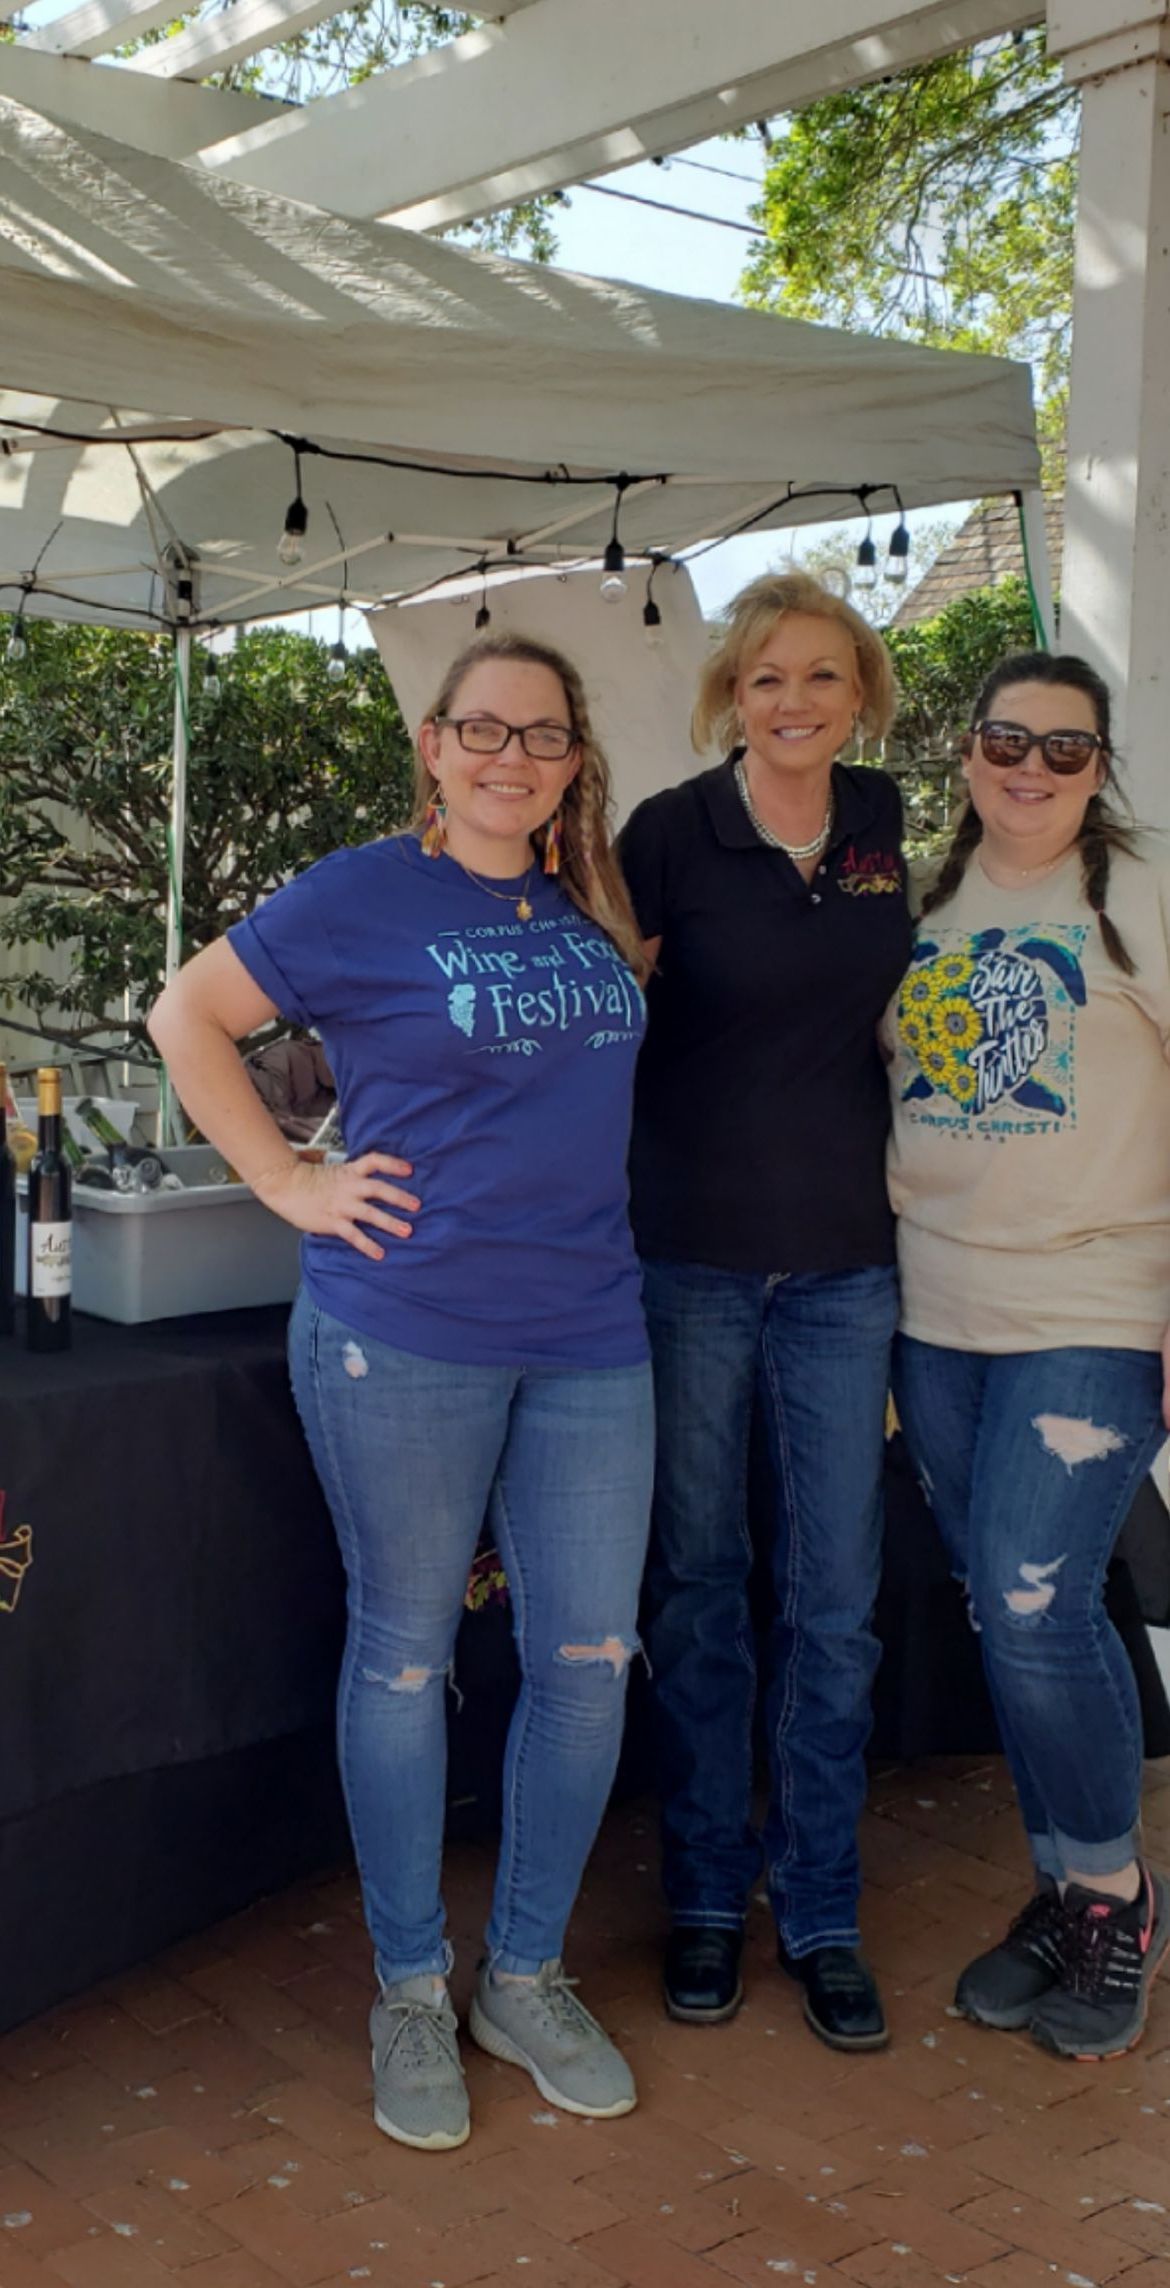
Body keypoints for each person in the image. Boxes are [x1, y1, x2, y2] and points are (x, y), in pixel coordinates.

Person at [149, 633, 654, 2150]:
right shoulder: (358, 892)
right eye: (481, 730)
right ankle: (411, 1988)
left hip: (589, 1329)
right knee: (403, 1657)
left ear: (573, 761)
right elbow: (189, 1017)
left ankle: (523, 1972)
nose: (511, 757)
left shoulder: (586, 900)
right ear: (431, 748)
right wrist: (285, 1181)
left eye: (543, 735)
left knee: (585, 1661)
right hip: (405, 1325)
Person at [618, 571, 911, 2051]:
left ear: (860, 688)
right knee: (700, 1589)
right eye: (763, 678)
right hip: (687, 1263)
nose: (792, 702)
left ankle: (820, 1909)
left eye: (819, 676)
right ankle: (703, 1898)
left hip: (847, 1270)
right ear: (728, 693)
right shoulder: (669, 834)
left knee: (836, 1603)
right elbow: (593, 1006)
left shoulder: (891, 829)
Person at [887, 651, 1170, 2061]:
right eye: (1007, 739)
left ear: (1098, 769)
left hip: (1093, 1306)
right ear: (967, 752)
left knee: (1034, 1597)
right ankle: (1066, 1888)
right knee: (1003, 1607)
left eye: (1064, 751)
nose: (1030, 768)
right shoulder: (923, 907)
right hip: (934, 1316)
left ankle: (1116, 1898)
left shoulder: (1139, 893)